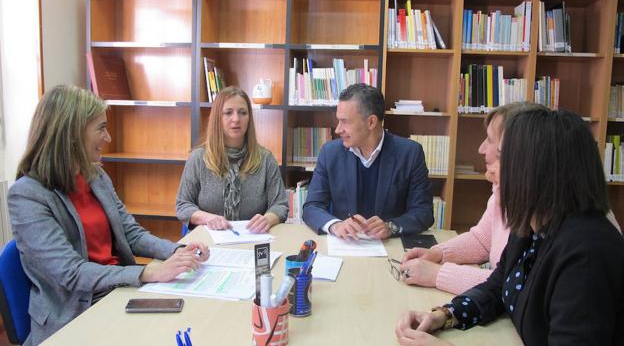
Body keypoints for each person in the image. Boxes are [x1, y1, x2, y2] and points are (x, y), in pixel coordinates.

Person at [395, 108, 624, 346]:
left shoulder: (588, 253)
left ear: (537, 170)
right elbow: (498, 287)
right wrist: (444, 315)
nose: (491, 166)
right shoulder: (533, 225)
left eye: (502, 155)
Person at [8, 85, 209, 346]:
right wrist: (146, 273)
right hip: (74, 315)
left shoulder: (96, 177)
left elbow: (131, 233)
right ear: (71, 134)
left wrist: (177, 252)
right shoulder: (27, 195)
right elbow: (71, 273)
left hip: (116, 293)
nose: (109, 137)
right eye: (101, 128)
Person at [399, 103, 537, 294]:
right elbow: (482, 239)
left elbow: (512, 287)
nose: (481, 148)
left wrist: (438, 274)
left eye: (489, 140)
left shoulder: (537, 213)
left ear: (515, 149)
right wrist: (438, 254)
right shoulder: (502, 188)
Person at [303, 83, 433, 240]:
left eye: (345, 121)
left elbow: (423, 212)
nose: (337, 129)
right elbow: (312, 207)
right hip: (344, 245)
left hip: (390, 248)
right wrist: (335, 225)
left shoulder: (410, 153)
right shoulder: (330, 153)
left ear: (371, 122)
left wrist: (391, 226)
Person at [176, 86, 288, 233]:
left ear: (249, 118)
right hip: (208, 242)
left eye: (243, 113)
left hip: (253, 238)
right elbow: (183, 206)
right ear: (218, 118)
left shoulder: (265, 159)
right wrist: (207, 218)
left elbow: (280, 205)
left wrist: (268, 218)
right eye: (228, 113)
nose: (236, 119)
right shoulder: (198, 159)